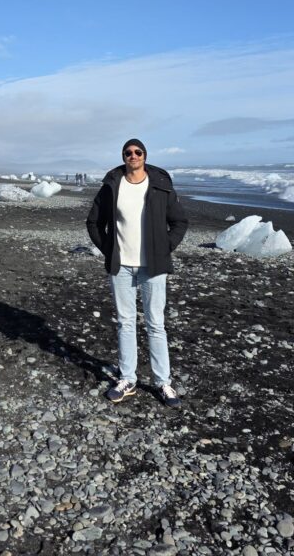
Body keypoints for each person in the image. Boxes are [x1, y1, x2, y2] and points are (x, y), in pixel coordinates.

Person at [86, 138, 188, 407]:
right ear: (123, 157)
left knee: (155, 324)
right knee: (125, 323)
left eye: (137, 152)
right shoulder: (112, 185)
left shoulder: (160, 184)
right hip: (121, 267)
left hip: (153, 267)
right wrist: (109, 249)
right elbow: (94, 222)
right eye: (128, 153)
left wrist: (165, 248)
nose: (133, 156)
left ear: (145, 155)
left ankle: (163, 383)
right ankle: (127, 379)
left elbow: (179, 221)